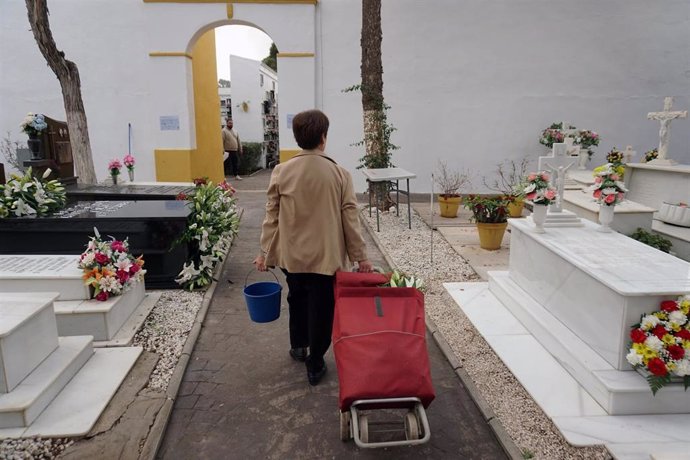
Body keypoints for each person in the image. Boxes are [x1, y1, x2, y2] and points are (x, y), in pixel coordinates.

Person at [253, 109, 373, 386]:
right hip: (326, 256)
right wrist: (360, 257)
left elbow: (272, 217)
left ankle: (299, 345)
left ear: (297, 138)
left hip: (291, 255)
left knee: (297, 297)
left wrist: (264, 253)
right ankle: (316, 360)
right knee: (322, 306)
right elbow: (349, 218)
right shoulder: (339, 174)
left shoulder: (281, 172)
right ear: (323, 137)